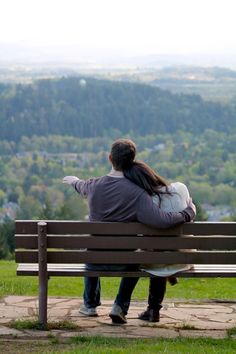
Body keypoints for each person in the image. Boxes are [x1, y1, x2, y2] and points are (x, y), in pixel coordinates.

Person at [63, 138, 196, 324]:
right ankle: (119, 305)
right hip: (126, 262)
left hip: (95, 262)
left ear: (110, 158)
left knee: (90, 253)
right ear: (132, 160)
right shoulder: (138, 193)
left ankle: (90, 305)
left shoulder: (93, 186)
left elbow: (80, 186)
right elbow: (161, 221)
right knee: (135, 259)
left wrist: (73, 181)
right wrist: (188, 213)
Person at [123, 160, 194, 322]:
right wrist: (191, 211)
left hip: (155, 260)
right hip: (183, 258)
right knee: (161, 254)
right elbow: (190, 210)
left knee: (155, 256)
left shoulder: (144, 202)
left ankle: (152, 310)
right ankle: (153, 309)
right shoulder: (180, 188)